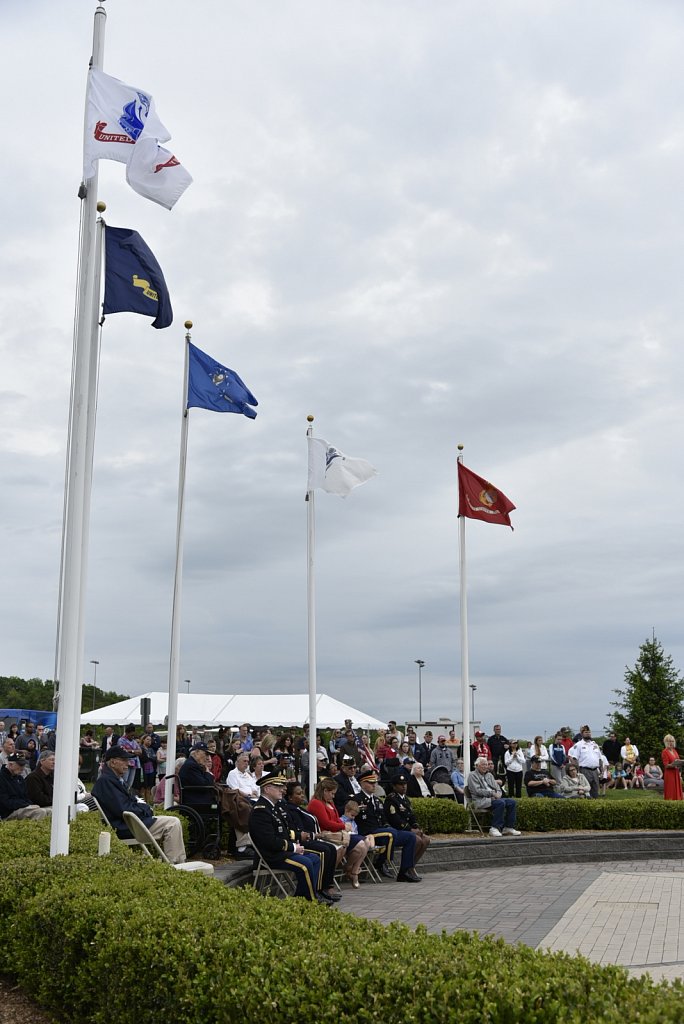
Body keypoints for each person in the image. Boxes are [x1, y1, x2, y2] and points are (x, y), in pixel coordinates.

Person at [92, 746, 186, 862]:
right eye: (124, 760)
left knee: (171, 821)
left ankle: (172, 861)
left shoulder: (111, 779)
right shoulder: (107, 781)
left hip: (129, 823)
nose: (128, 764)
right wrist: (146, 810)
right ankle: (175, 864)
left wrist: (144, 808)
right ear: (112, 762)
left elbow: (129, 803)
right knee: (172, 823)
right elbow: (124, 809)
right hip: (127, 826)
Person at [248, 773, 331, 904]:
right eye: (278, 786)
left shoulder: (273, 807)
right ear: (267, 789)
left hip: (281, 851)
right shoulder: (261, 810)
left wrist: (295, 845)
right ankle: (312, 900)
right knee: (305, 864)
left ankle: (301, 897)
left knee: (314, 858)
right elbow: (269, 842)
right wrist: (293, 847)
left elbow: (285, 832)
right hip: (272, 856)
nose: (282, 789)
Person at [355, 768, 421, 882]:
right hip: (368, 833)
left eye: (375, 782)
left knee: (410, 837)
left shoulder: (377, 801)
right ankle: (381, 862)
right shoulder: (356, 799)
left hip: (381, 831)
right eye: (370, 783)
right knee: (391, 833)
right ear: (362, 784)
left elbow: (384, 819)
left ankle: (404, 872)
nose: (374, 785)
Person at [283, 781, 341, 902]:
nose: (302, 795)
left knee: (330, 849)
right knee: (324, 851)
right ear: (290, 797)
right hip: (299, 842)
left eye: (302, 792)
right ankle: (317, 889)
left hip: (309, 838)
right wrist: (314, 835)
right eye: (298, 794)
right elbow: (297, 831)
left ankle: (326, 886)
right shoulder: (290, 809)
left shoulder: (297, 808)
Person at [308, 778, 372, 887]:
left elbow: (336, 818)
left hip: (337, 834)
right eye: (332, 793)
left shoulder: (329, 802)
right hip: (326, 835)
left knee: (364, 843)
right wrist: (343, 826)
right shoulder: (316, 803)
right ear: (325, 791)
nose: (333, 796)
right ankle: (331, 877)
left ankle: (351, 871)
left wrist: (342, 826)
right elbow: (326, 823)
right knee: (358, 845)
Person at [467, 756, 520, 837]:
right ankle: (494, 828)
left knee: (512, 802)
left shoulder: (489, 775)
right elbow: (477, 791)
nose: (485, 766)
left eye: (486, 764)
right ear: (477, 765)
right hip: (480, 800)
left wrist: (499, 794)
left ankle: (508, 827)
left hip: (493, 799)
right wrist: (492, 794)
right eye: (483, 765)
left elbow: (498, 788)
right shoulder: (472, 775)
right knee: (500, 803)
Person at [384, 773, 430, 863]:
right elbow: (395, 819)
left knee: (426, 840)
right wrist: (410, 829)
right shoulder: (391, 799)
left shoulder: (405, 799)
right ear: (394, 786)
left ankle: (412, 865)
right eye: (400, 784)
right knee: (417, 840)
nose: (404, 786)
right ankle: (405, 867)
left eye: (405, 784)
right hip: (398, 830)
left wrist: (416, 826)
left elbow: (411, 815)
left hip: (407, 829)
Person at [0, 753, 51, 820]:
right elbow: (5, 802)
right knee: (39, 812)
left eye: (24, 764)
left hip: (21, 808)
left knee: (50, 811)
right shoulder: (1, 778)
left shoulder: (20, 778)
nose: (23, 768)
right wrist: (25, 804)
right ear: (10, 764)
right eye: (20, 765)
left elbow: (26, 797)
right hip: (8, 812)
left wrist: (28, 804)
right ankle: (34, 830)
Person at [568, 726, 605, 799]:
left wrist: (601, 770)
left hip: (595, 771)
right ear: (582, 734)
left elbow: (599, 758)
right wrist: (577, 771)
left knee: (595, 790)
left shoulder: (595, 745)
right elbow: (575, 759)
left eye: (589, 732)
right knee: (585, 790)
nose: (588, 734)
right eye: (586, 732)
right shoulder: (579, 745)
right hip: (584, 770)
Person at [178, 743, 216, 808]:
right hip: (196, 800)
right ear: (197, 752)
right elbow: (205, 785)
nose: (207, 758)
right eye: (206, 754)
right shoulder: (191, 766)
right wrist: (207, 772)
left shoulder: (193, 764)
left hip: (198, 797)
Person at [662, 735, 683, 801]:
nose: (671, 743)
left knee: (677, 788)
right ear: (666, 742)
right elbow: (666, 765)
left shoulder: (674, 751)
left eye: (672, 741)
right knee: (671, 789)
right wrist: (673, 764)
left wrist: (680, 764)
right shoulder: (665, 751)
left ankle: (678, 802)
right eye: (669, 741)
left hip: (676, 772)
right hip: (669, 773)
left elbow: (678, 760)